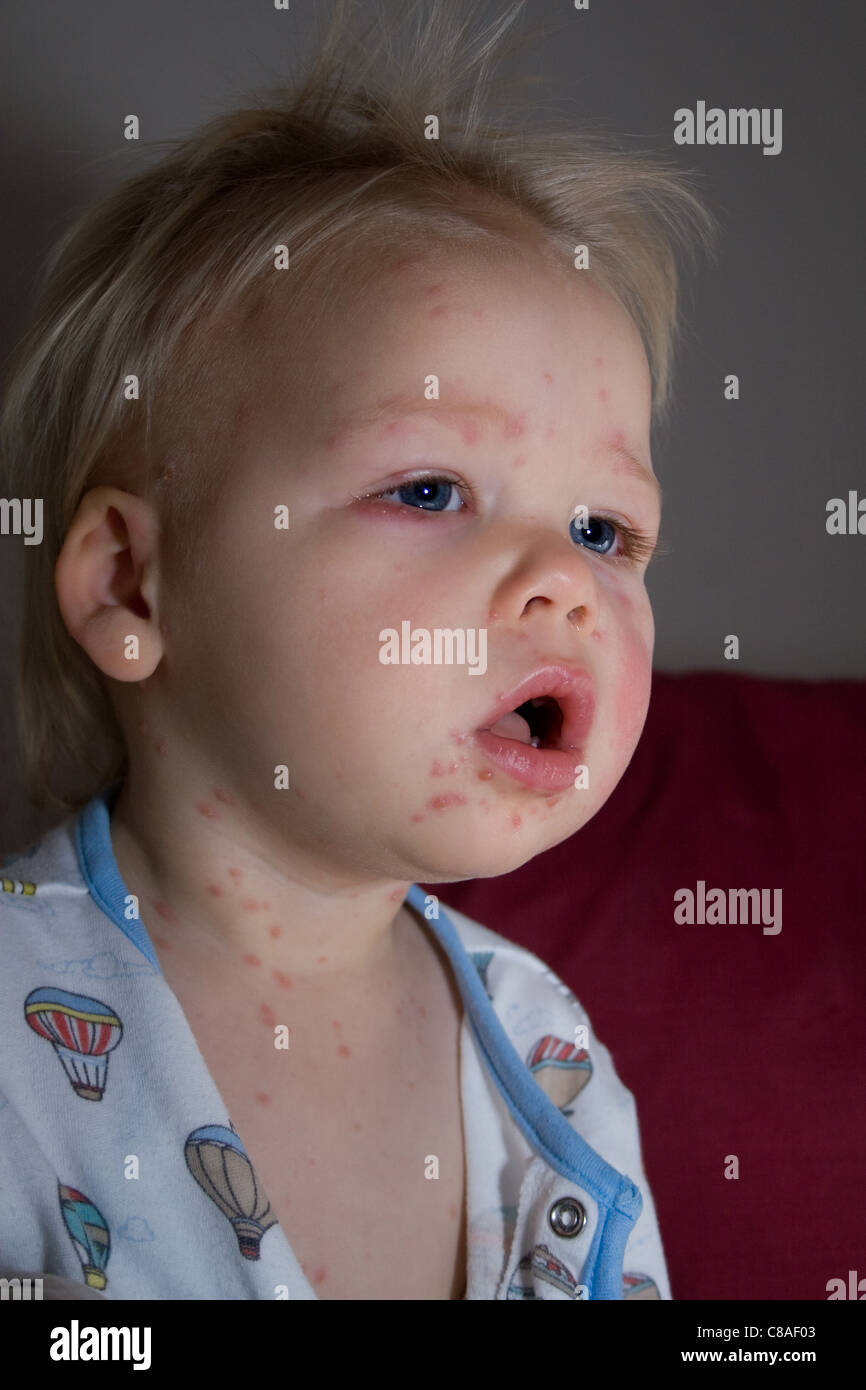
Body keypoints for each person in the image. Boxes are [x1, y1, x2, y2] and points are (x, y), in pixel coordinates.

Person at [0, 0, 716, 1300]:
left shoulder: (548, 1051)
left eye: (605, 527)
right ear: (130, 585)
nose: (564, 579)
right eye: (431, 489)